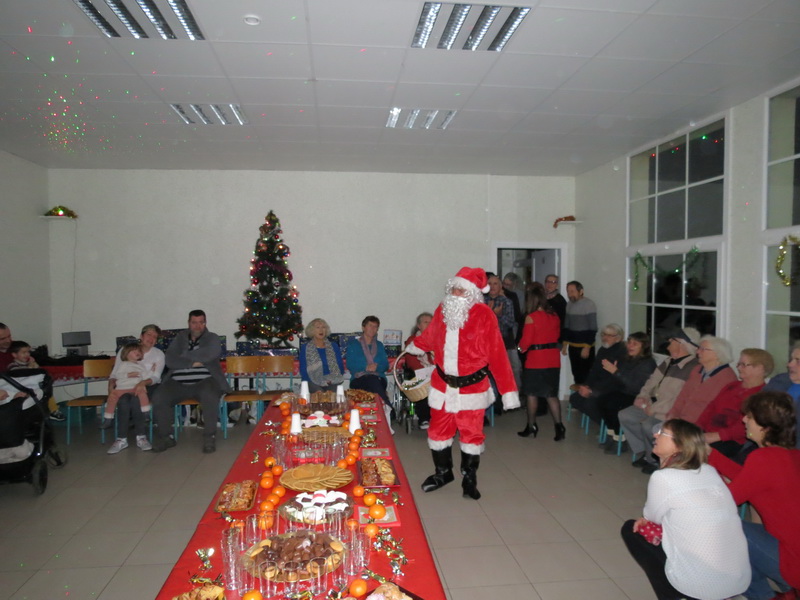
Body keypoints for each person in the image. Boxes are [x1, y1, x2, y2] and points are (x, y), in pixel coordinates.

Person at [405, 267, 519, 500]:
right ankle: (443, 473)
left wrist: (508, 391)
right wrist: (415, 346)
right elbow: (430, 335)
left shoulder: (484, 315)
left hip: (472, 389)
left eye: (461, 290)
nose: (456, 293)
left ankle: (469, 479)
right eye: (454, 289)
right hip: (442, 386)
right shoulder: (443, 309)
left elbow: (497, 354)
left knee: (471, 436)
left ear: (473, 293)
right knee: (437, 432)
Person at [621, 419, 750, 600]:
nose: (655, 434)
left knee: (632, 529)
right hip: (737, 581)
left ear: (679, 445)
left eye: (662, 433)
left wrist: (651, 519)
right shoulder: (709, 470)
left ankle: (675, 595)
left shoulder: (664, 477)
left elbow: (652, 517)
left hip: (699, 587)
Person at [708, 391, 800, 600]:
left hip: (793, 560)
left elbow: (725, 501)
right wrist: (711, 455)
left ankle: (763, 595)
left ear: (765, 427)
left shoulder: (763, 458)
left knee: (725, 528)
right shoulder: (792, 455)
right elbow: (750, 479)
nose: (743, 420)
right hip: (792, 548)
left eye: (749, 417)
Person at [639, 335, 737, 474]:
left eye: (703, 349)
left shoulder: (727, 377)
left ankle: (671, 466)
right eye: (699, 348)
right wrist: (673, 414)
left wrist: (687, 424)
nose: (698, 352)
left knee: (659, 431)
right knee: (656, 428)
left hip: (699, 425)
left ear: (717, 354)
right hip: (683, 419)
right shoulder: (697, 370)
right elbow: (683, 396)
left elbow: (713, 410)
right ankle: (664, 463)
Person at [151, 310, 230, 454]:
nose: (198, 326)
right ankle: (166, 437)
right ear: (189, 323)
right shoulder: (180, 338)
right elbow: (170, 360)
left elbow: (210, 353)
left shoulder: (212, 338)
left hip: (205, 380)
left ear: (205, 323)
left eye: (201, 322)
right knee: (159, 396)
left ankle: (209, 437)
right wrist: (193, 363)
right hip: (176, 382)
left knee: (210, 395)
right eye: (194, 322)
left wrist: (183, 356)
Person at [619, 328, 700, 467]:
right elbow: (650, 382)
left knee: (649, 425)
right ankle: (645, 452)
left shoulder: (693, 368)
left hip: (668, 412)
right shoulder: (668, 361)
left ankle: (654, 459)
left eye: (672, 340)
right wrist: (642, 396)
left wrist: (654, 410)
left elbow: (679, 399)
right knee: (626, 415)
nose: (668, 343)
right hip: (652, 405)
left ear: (682, 344)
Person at [696, 348, 772, 458]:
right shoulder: (732, 386)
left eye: (744, 365)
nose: (739, 368)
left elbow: (745, 427)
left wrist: (717, 436)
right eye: (739, 364)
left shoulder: (762, 394)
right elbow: (711, 407)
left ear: (760, 368)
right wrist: (698, 427)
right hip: (708, 433)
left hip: (731, 441)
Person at [107, 324, 164, 454]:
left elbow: (156, 377)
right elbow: (115, 373)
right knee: (123, 400)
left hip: (148, 386)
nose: (151, 338)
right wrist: (110, 386)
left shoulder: (158, 354)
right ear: (141, 336)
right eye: (149, 335)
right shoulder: (125, 350)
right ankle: (121, 439)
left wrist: (142, 383)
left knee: (135, 399)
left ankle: (141, 437)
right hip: (125, 386)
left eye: (155, 337)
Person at [517, 285, 564, 441]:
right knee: (551, 395)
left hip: (536, 360)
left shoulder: (531, 317)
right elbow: (557, 335)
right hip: (553, 359)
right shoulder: (554, 316)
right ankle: (559, 427)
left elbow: (525, 342)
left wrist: (520, 348)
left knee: (531, 394)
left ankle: (531, 426)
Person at [596, 331, 657, 452]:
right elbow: (620, 380)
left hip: (638, 396)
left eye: (635, 344)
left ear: (644, 346)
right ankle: (612, 433)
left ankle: (620, 439)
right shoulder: (628, 359)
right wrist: (614, 373)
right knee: (601, 400)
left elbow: (636, 387)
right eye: (629, 342)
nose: (630, 346)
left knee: (613, 405)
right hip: (625, 391)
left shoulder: (647, 363)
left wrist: (616, 372)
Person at [568, 323, 626, 423]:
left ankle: (608, 425)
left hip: (613, 388)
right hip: (598, 385)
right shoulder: (602, 350)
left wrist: (592, 391)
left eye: (609, 335)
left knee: (589, 403)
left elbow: (614, 379)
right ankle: (603, 422)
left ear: (618, 338)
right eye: (604, 334)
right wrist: (586, 385)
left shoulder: (622, 352)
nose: (605, 338)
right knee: (575, 399)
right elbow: (594, 371)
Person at [100, 342, 151, 429]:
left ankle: (146, 413)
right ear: (126, 354)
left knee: (142, 393)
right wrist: (128, 375)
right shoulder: (123, 364)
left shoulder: (140, 366)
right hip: (121, 388)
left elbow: (146, 376)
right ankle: (108, 419)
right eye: (134, 351)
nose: (137, 353)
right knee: (112, 398)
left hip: (134, 387)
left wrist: (152, 371)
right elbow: (118, 375)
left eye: (138, 351)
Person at [485, 273, 521, 395]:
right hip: (486, 344)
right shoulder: (481, 301)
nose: (492, 286)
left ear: (501, 286)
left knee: (507, 372)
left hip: (504, 343)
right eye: (490, 283)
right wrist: (490, 313)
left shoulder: (507, 302)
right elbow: (479, 324)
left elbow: (510, 323)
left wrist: (498, 315)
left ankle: (509, 398)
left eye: (495, 284)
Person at [346, 316, 390, 404]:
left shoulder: (379, 345)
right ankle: (387, 405)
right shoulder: (353, 345)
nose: (372, 328)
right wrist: (366, 367)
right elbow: (350, 365)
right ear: (363, 327)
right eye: (370, 325)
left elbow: (385, 365)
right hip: (358, 379)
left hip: (378, 378)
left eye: (375, 326)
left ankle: (381, 408)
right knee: (372, 382)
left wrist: (376, 367)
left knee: (373, 382)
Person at [561, 281, 598, 386]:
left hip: (585, 346)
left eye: (572, 291)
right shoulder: (569, 305)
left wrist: (587, 347)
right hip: (573, 346)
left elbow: (593, 328)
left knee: (586, 375)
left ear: (581, 291)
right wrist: (565, 344)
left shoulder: (589, 304)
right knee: (576, 373)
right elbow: (567, 326)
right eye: (568, 291)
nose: (570, 294)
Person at [764, 341, 800, 447]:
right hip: (765, 442)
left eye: (798, 361)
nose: (789, 365)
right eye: (791, 360)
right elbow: (757, 410)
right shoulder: (780, 381)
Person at [403, 312, 433, 429]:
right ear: (419, 325)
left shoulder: (438, 339)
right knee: (423, 385)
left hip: (435, 371)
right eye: (426, 322)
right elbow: (411, 361)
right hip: (419, 372)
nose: (429, 325)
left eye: (431, 322)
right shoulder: (412, 340)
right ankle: (424, 418)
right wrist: (427, 371)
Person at [299, 318, 344, 393]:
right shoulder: (305, 348)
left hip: (331, 380)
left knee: (332, 394)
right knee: (319, 393)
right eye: (318, 327)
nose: (321, 330)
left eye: (323, 327)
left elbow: (340, 368)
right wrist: (319, 381)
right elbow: (303, 370)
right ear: (312, 330)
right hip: (312, 380)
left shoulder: (333, 346)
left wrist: (331, 380)